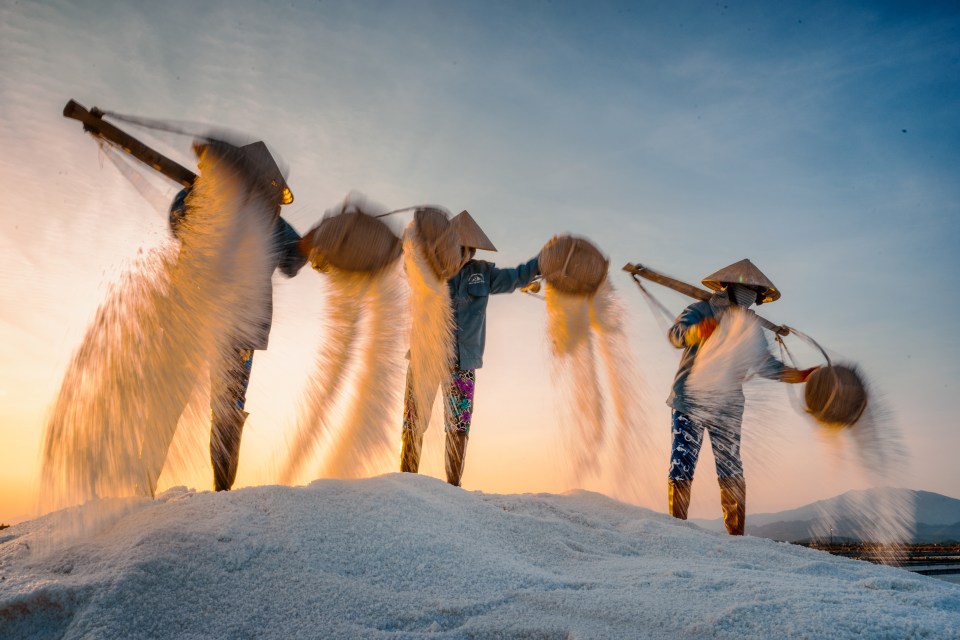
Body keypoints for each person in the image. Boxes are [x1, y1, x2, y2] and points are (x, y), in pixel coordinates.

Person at [168, 140, 306, 492]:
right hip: (192, 315)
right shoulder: (201, 199)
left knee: (229, 409)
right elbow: (178, 220)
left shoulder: (274, 226)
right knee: (169, 398)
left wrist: (321, 240)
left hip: (240, 330)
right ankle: (141, 486)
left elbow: (294, 259)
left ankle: (223, 491)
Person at [666, 259, 815, 535]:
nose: (753, 297)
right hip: (690, 400)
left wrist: (798, 376)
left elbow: (765, 365)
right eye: (750, 291)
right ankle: (677, 531)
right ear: (731, 287)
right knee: (682, 463)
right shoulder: (701, 310)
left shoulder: (750, 328)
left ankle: (736, 535)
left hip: (728, 407)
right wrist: (701, 329)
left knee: (731, 467)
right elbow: (676, 335)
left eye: (757, 294)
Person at [400, 211, 539, 486]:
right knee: (413, 421)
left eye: (470, 248)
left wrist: (543, 262)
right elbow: (408, 259)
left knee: (459, 427)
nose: (467, 252)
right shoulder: (426, 265)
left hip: (462, 363)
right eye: (461, 247)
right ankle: (406, 483)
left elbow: (517, 276)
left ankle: (453, 486)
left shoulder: (483, 273)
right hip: (426, 356)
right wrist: (418, 228)